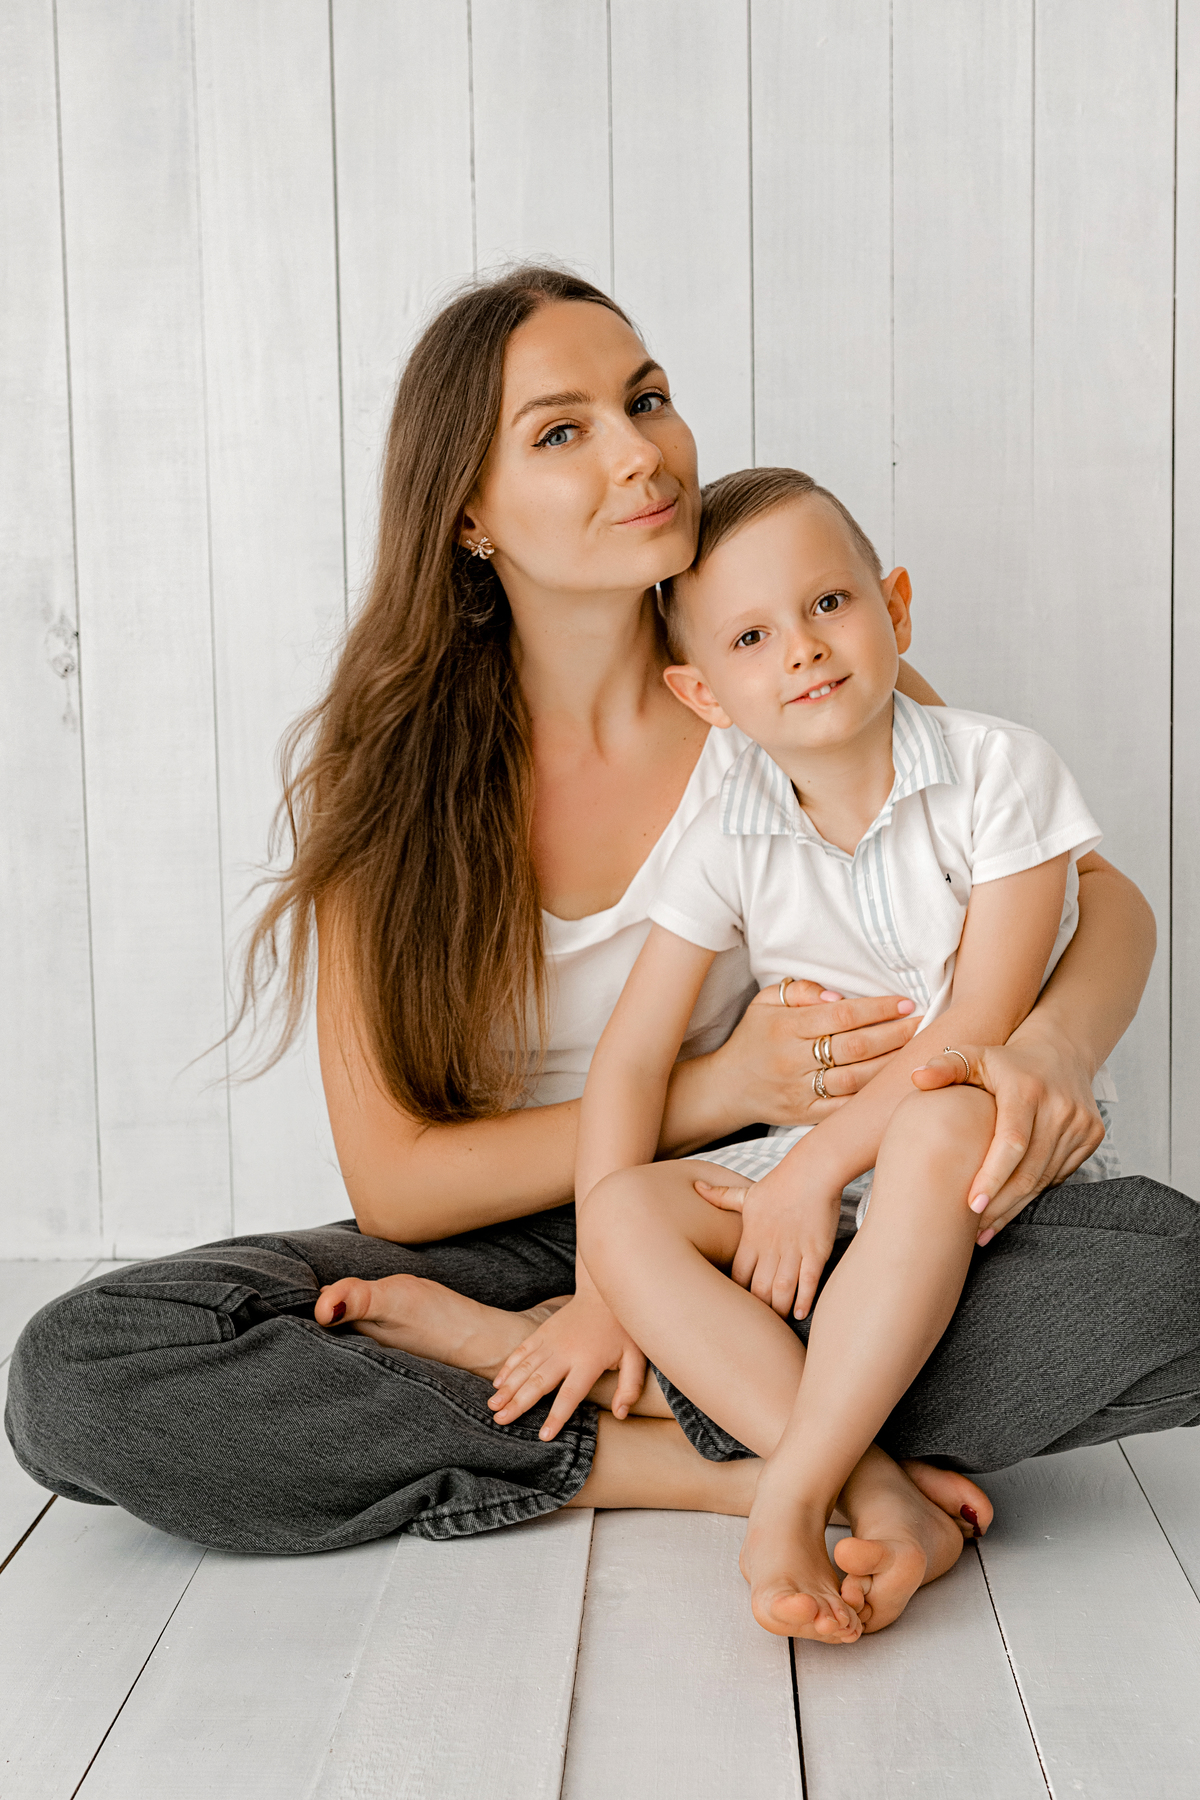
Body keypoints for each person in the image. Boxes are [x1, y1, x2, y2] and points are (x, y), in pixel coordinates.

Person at [7, 270, 1196, 1636]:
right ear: (466, 516)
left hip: (777, 1230)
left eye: (646, 399)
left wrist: (1046, 1047)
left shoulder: (776, 665)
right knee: (87, 1369)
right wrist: (730, 1094)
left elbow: (1099, 900)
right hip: (520, 1240)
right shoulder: (384, 771)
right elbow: (395, 1185)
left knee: (1163, 1280)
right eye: (562, 431)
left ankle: (706, 1399)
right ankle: (725, 1465)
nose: (641, 451)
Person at [567, 465, 1112, 1640]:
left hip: (981, 1157)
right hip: (816, 1168)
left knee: (943, 1110)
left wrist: (813, 1176)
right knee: (622, 1217)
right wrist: (592, 1286)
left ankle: (791, 1491)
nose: (804, 650)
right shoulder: (729, 832)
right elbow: (628, 1062)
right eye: (754, 636)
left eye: (829, 605)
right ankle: (872, 1485)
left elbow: (973, 1031)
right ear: (704, 693)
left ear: (896, 608)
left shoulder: (997, 774)